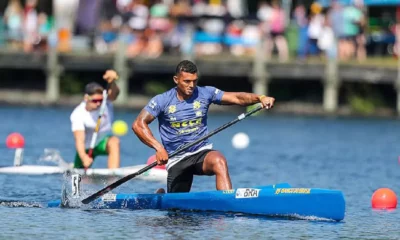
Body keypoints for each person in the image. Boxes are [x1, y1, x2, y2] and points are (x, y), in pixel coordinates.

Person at [132, 60, 275, 193]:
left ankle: (226, 203)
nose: (191, 85)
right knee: (176, 214)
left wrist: (260, 98)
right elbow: (138, 124)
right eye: (186, 81)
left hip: (201, 152)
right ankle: (161, 196)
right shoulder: (162, 100)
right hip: (176, 158)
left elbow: (237, 97)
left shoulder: (205, 93)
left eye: (194, 81)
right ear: (176, 80)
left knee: (219, 161)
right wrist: (159, 148)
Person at [70, 70, 120, 169]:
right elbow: (79, 140)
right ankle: (75, 166)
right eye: (95, 101)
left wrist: (112, 81)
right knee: (81, 177)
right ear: (86, 98)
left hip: (102, 142)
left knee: (114, 141)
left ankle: (113, 176)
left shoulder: (105, 101)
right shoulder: (78, 114)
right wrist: (84, 157)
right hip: (86, 147)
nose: (98, 103)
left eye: (100, 100)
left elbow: (114, 94)